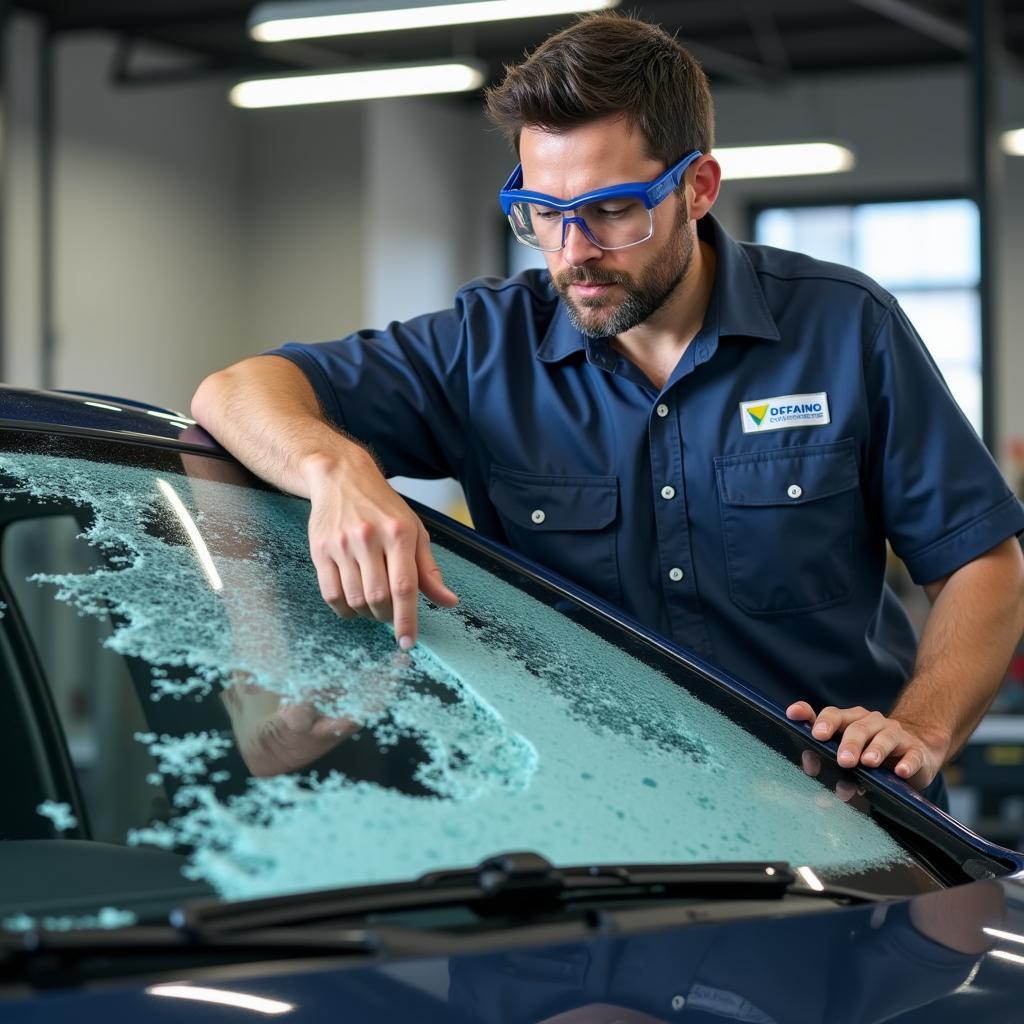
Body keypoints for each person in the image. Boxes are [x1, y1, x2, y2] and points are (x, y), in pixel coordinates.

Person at [191, 13, 1024, 805]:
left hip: (838, 837)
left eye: (610, 210)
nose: (573, 251)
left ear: (698, 188)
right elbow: (232, 392)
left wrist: (918, 728)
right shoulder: (485, 349)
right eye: (542, 214)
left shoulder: (846, 328)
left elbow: (982, 564)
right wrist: (337, 467)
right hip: (591, 850)